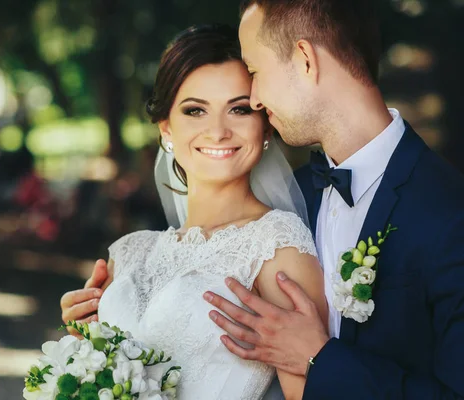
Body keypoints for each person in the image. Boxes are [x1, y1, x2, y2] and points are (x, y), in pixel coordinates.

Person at [202, 1, 464, 399]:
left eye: (255, 71)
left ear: (305, 60)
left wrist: (319, 357)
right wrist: (119, 312)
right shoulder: (289, 199)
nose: (254, 98)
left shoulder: (449, 212)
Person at [61, 25, 327, 399]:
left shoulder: (277, 247)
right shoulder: (128, 253)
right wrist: (81, 344)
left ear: (265, 124)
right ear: (166, 127)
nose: (217, 131)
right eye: (195, 110)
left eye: (238, 109)